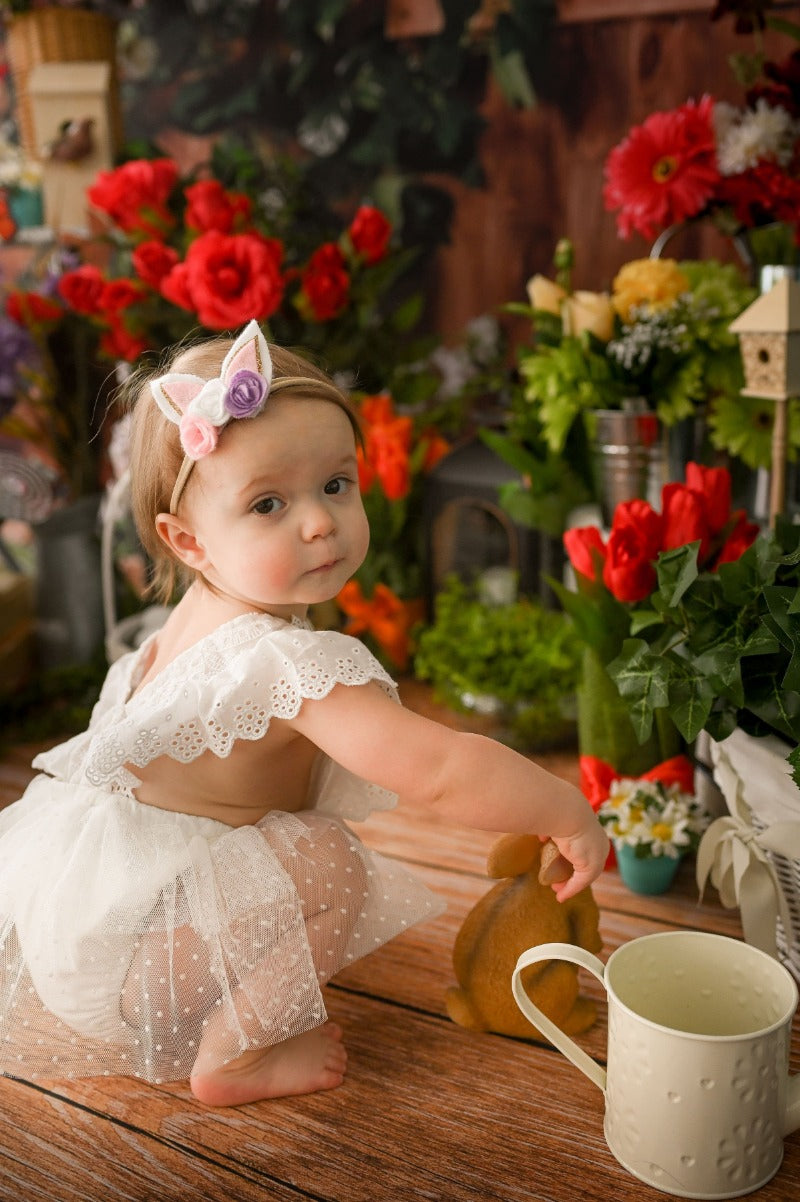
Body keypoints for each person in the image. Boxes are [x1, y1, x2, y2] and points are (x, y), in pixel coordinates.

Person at [0, 321, 608, 1108]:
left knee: (283, 845)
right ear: (188, 541)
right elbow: (440, 770)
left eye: (335, 485)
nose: (319, 522)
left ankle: (220, 1002)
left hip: (77, 923)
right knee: (331, 861)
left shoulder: (187, 622)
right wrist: (562, 807)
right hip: (133, 965)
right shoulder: (285, 664)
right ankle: (237, 1054)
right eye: (268, 503)